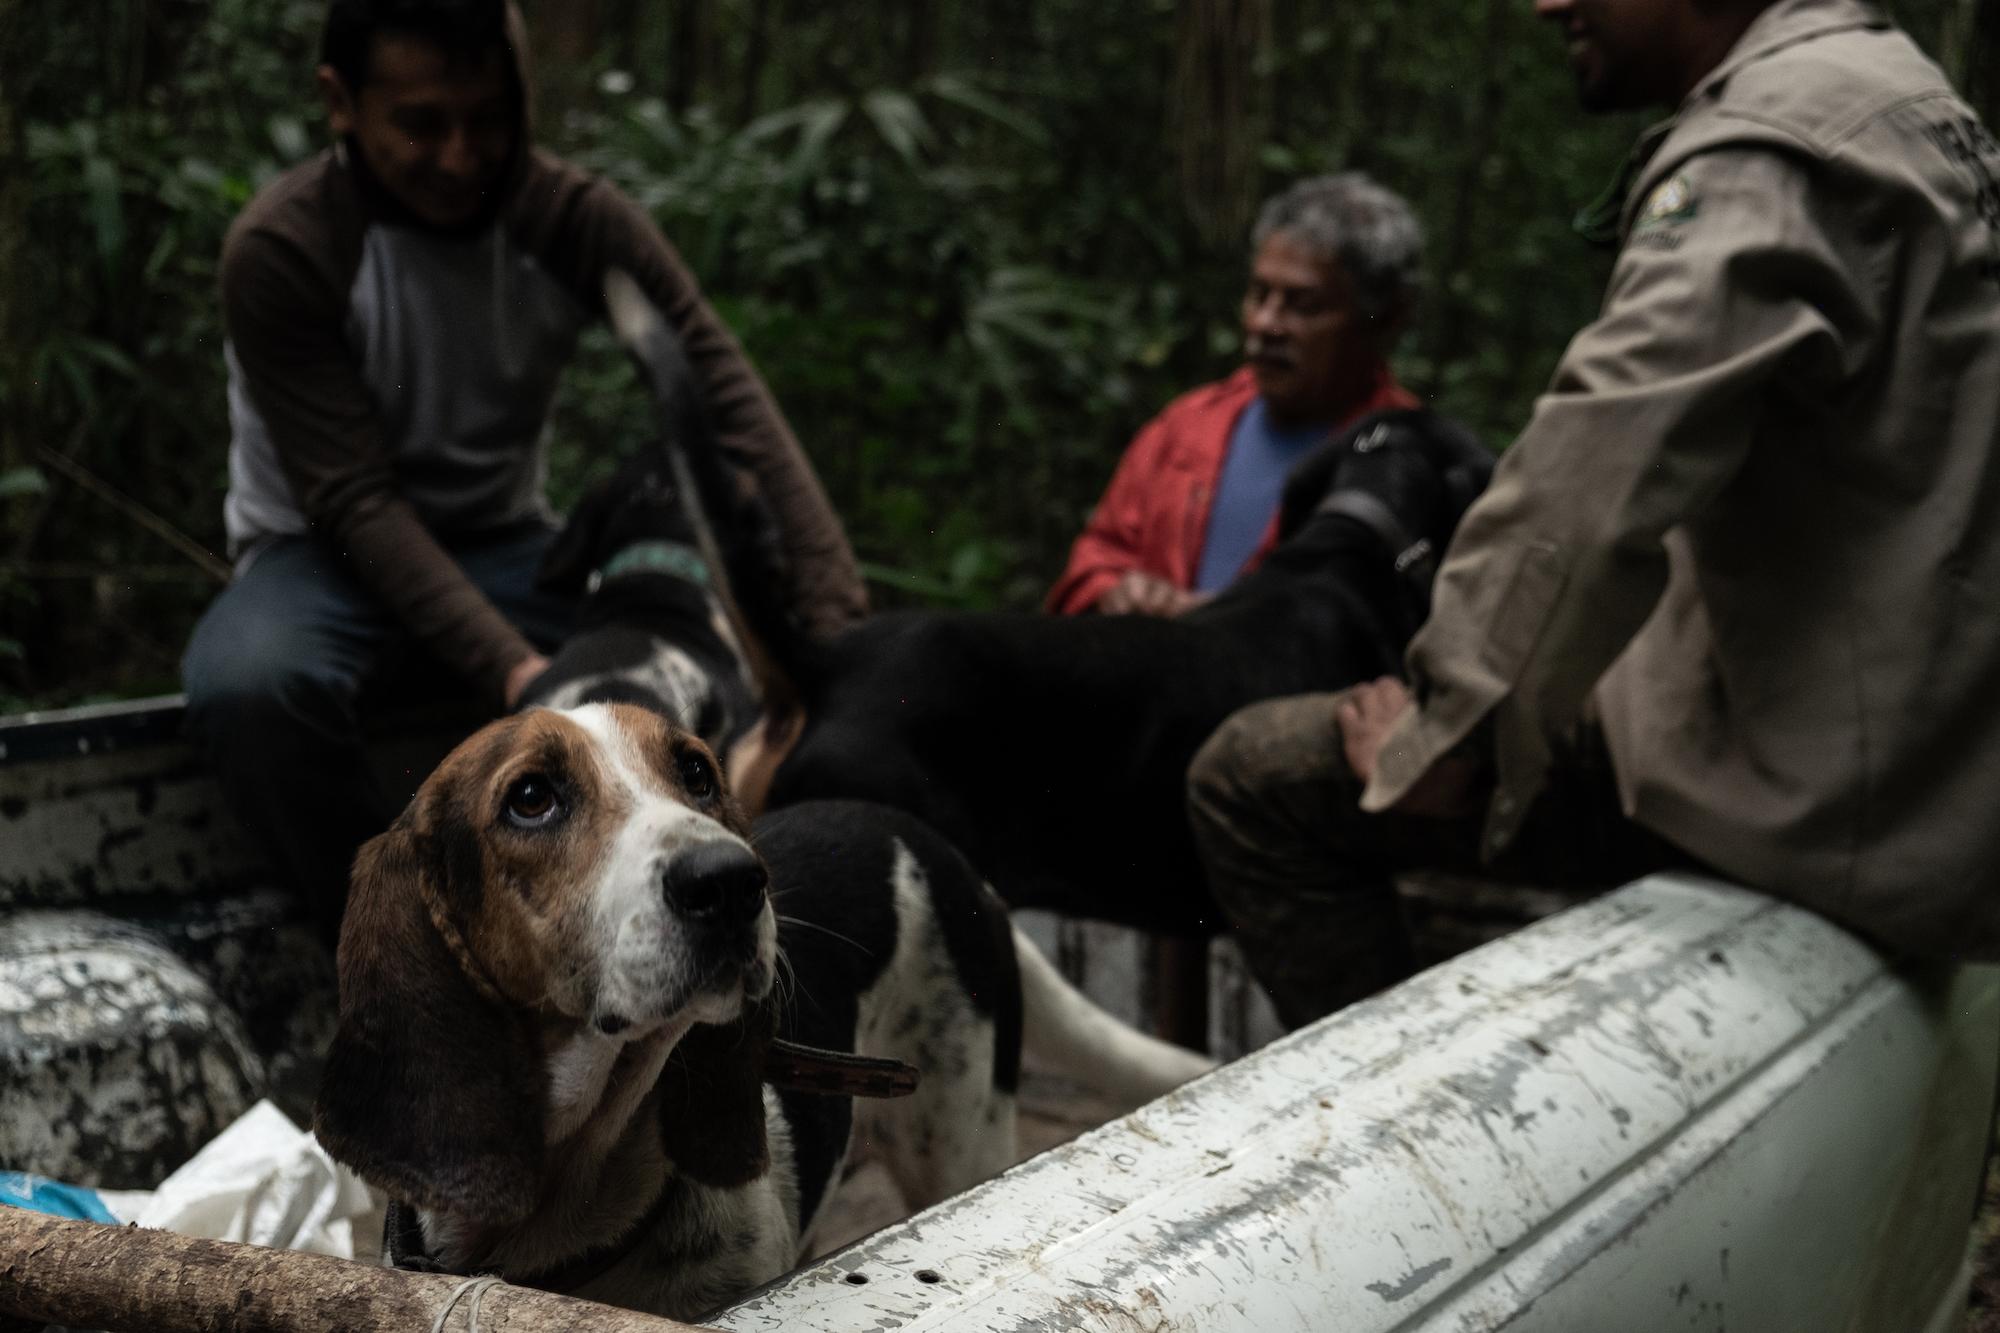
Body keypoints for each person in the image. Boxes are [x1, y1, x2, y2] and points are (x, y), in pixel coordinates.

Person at [1187, 0, 2000, 1030]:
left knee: (1253, 776)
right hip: (1937, 769)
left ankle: (1432, 1148)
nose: (1547, 3)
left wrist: (1449, 733)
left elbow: (1599, 463)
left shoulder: (1768, 153)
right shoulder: (1916, 108)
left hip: (1825, 801)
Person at [180, 0, 866, 938]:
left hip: (509, 546)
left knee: (706, 637)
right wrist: (511, 667)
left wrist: (835, 628)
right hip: (319, 555)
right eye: (423, 124)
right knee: (250, 686)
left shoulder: (573, 219)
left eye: (488, 119)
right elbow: (354, 499)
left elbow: (719, 399)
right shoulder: (287, 248)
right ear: (341, 103)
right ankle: (385, 943)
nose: (462, 156)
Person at [1046, 173, 1423, 617]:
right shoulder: (1187, 427)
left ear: (1381, 319)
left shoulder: (1410, 462)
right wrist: (1115, 591)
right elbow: (1098, 556)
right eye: (1259, 294)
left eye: (1303, 304)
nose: (1266, 324)